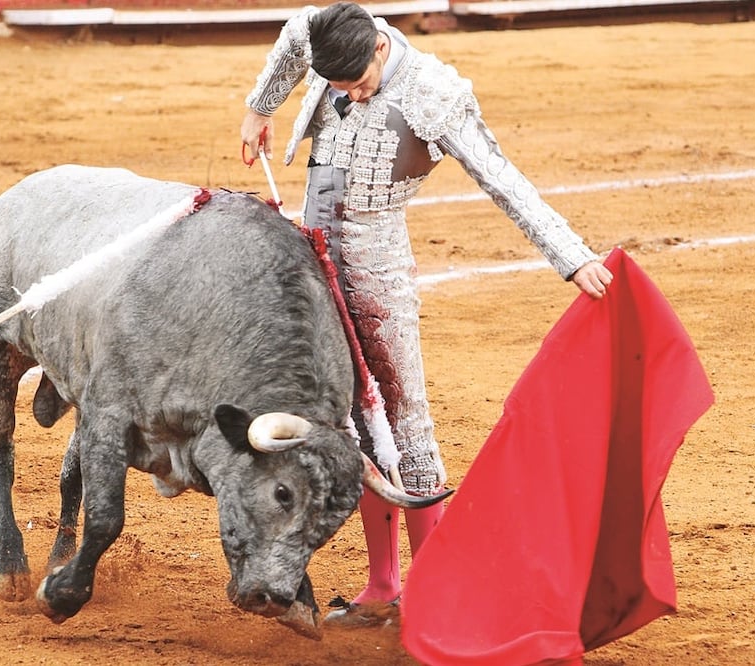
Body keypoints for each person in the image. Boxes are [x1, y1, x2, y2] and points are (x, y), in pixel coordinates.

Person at [239, 2, 614, 627]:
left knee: (404, 421)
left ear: (380, 49)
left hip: (376, 263)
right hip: (311, 253)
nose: (352, 96)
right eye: (339, 87)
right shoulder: (325, 33)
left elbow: (502, 179)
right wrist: (259, 107)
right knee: (351, 419)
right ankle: (383, 584)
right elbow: (295, 33)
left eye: (360, 83)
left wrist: (571, 257)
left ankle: (434, 590)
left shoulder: (434, 92)